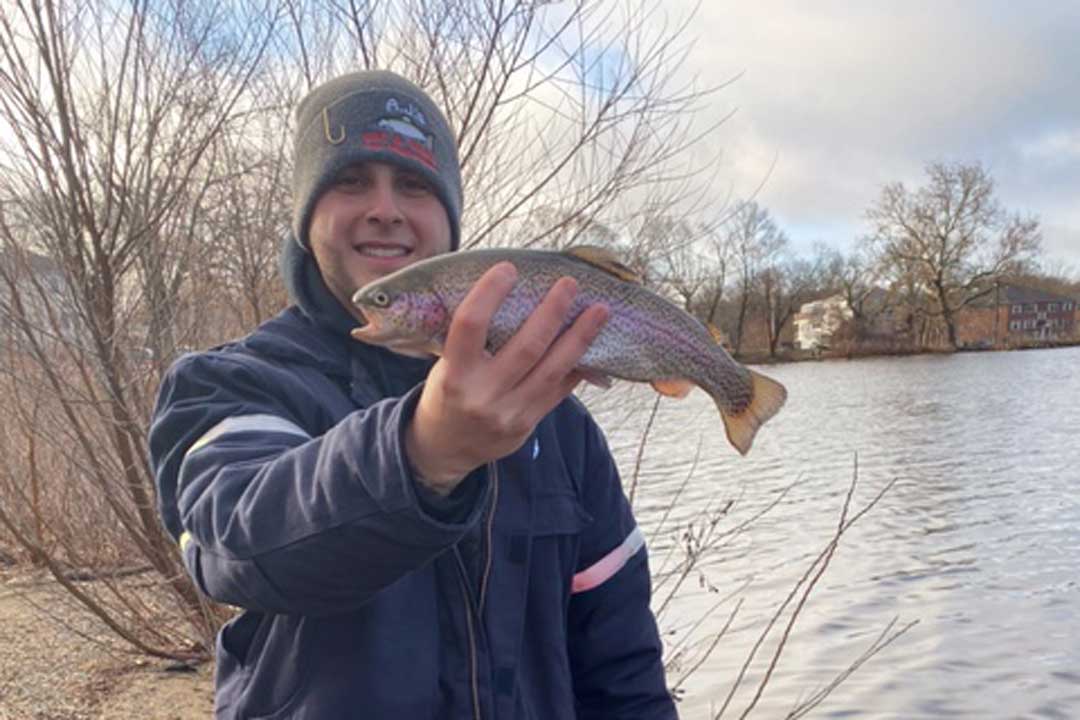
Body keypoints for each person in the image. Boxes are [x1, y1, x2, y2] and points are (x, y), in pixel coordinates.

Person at [149, 69, 677, 720]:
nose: (385, 208)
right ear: (304, 215)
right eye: (350, 181)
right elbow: (236, 547)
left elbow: (620, 662)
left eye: (415, 186)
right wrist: (423, 452)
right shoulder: (229, 385)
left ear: (451, 223)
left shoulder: (557, 422)